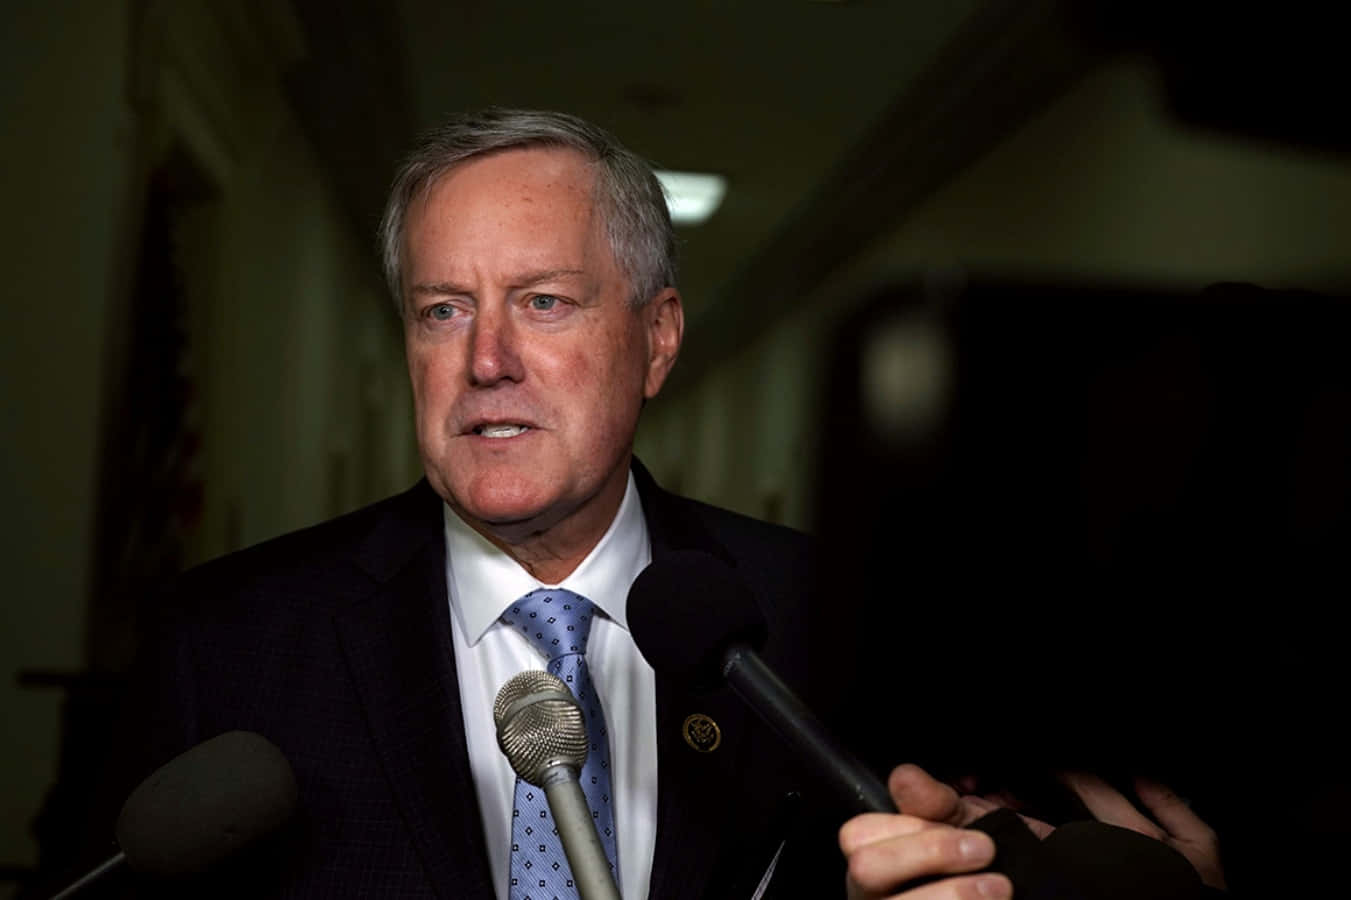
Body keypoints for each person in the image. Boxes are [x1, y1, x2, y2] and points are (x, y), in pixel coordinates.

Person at [104, 108, 1223, 899]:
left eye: (543, 302)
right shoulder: (227, 642)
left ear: (656, 339)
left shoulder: (838, 620)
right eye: (444, 310)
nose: (485, 358)